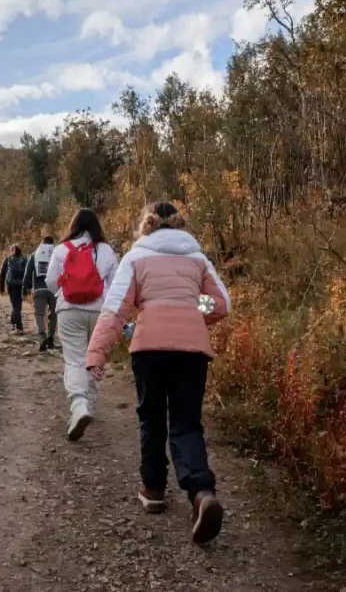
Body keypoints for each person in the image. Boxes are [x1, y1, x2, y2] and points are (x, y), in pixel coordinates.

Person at [85, 202, 231, 545]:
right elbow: (221, 302)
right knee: (186, 422)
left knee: (151, 418)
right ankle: (201, 493)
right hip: (192, 350)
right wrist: (192, 310)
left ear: (146, 224)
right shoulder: (198, 258)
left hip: (149, 347)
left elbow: (116, 308)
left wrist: (97, 353)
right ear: (180, 224)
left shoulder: (136, 258)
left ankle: (153, 490)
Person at [44, 208, 118, 441]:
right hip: (99, 311)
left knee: (75, 358)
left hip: (69, 310)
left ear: (73, 226)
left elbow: (50, 282)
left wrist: (65, 293)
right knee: (94, 358)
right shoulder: (105, 250)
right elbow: (116, 284)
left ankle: (79, 405)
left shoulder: (61, 250)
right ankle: (89, 403)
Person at [22, 235, 58, 352]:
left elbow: (28, 273)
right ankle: (51, 338)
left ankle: (42, 335)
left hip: (39, 289)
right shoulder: (57, 253)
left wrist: (25, 288)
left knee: (39, 314)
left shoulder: (35, 254)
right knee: (53, 314)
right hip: (54, 289)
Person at [0, 245, 27, 331]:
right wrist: (28, 286)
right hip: (21, 284)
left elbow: (2, 274)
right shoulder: (25, 259)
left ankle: (18, 325)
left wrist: (2, 288)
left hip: (11, 284)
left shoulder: (7, 260)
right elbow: (28, 273)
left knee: (15, 305)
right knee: (17, 304)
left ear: (11, 251)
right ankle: (13, 320)